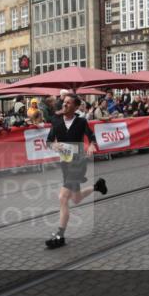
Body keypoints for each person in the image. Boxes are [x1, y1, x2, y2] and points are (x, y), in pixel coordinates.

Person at [44, 94, 108, 248]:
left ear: (75, 106)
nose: (64, 105)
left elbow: (91, 136)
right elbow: (48, 141)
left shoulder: (80, 121)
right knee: (76, 198)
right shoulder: (56, 121)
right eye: (63, 102)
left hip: (78, 163)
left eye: (68, 103)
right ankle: (97, 186)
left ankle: (60, 236)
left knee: (63, 197)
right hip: (65, 164)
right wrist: (54, 146)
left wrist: (92, 145)